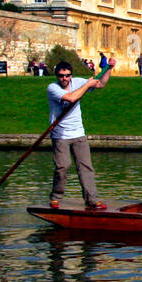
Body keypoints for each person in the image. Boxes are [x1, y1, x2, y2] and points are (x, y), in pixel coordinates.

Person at [47, 59, 112, 210]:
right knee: (63, 166)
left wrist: (109, 68)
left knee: (85, 167)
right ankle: (56, 197)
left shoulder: (77, 82)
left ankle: (91, 199)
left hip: (78, 133)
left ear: (71, 75)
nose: (64, 78)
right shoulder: (52, 88)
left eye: (67, 75)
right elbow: (71, 98)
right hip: (60, 134)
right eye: (61, 76)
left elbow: (101, 84)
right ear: (57, 76)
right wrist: (87, 85)